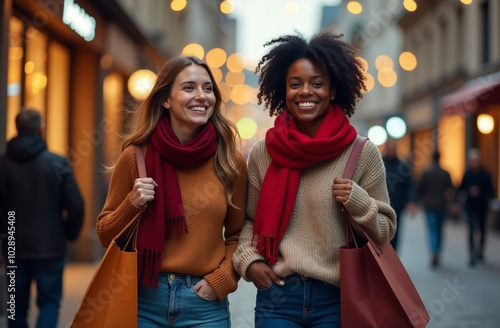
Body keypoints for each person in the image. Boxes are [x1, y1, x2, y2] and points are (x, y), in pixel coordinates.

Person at [232, 32, 396, 327]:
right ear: (284, 91)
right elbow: (250, 222)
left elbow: (384, 232)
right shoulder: (263, 152)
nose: (305, 92)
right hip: (278, 297)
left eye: (317, 83)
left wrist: (358, 201)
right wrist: (250, 260)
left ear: (333, 91)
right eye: (295, 84)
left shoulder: (362, 152)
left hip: (337, 297)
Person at [96, 55, 247, 327]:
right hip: (143, 298)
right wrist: (132, 203)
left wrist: (223, 279)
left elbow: (238, 233)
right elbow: (105, 235)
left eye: (208, 88)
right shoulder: (136, 157)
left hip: (204, 304)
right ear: (165, 99)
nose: (201, 96)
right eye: (189, 88)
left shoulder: (229, 161)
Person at [0, 108, 84, 328]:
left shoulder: (3, 164)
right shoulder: (57, 163)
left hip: (13, 245)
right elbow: (76, 204)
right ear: (41, 130)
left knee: (14, 305)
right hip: (50, 245)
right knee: (49, 302)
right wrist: (68, 233)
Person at [416, 150, 454, 268]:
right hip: (442, 205)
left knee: (432, 230)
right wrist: (453, 203)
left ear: (432, 158)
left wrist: (418, 200)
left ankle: (434, 251)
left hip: (429, 205)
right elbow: (451, 189)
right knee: (439, 230)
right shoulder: (445, 173)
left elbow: (420, 189)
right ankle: (437, 251)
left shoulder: (427, 172)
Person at [458, 148, 496, 267]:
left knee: (482, 230)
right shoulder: (467, 174)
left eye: (476, 160)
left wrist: (492, 200)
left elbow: (491, 188)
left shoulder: (485, 173)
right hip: (470, 205)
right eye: (473, 160)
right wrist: (469, 192)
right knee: (471, 230)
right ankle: (472, 255)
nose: (475, 162)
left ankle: (480, 252)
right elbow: (461, 188)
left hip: (482, 205)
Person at [382, 138, 416, 252]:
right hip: (381, 205)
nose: (392, 151)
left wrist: (410, 202)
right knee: (381, 231)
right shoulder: (379, 163)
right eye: (390, 148)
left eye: (393, 149)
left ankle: (393, 255)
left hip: (397, 205)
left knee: (395, 232)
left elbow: (409, 185)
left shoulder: (403, 165)